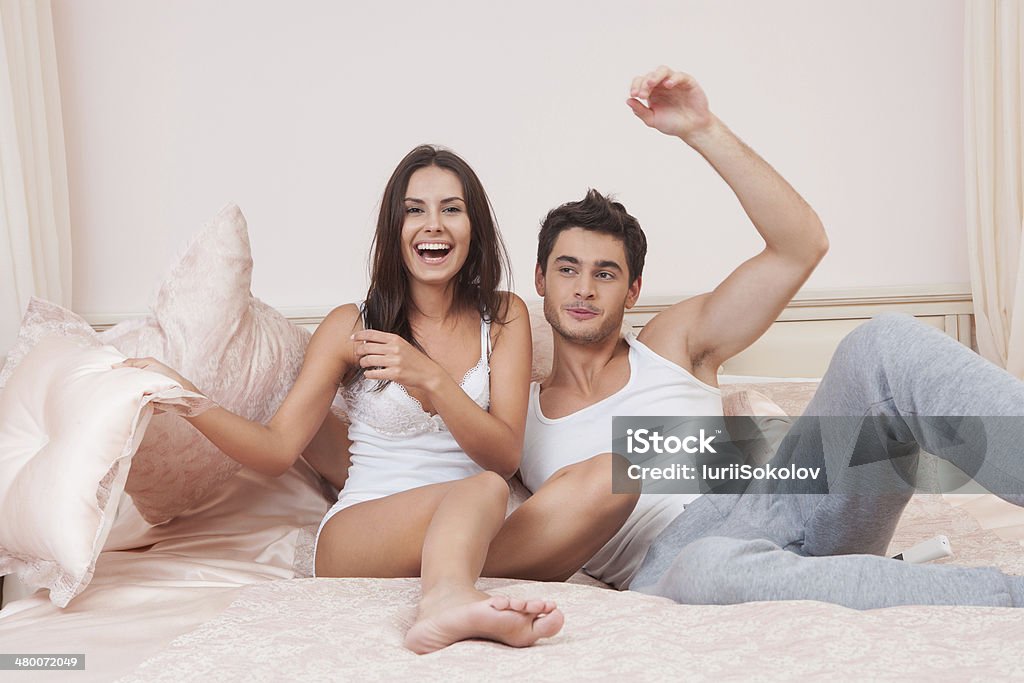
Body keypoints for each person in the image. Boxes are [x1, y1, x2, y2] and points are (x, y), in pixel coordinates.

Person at [521, 65, 1024, 608]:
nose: (584, 289)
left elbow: (800, 246)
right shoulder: (512, 416)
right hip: (674, 562)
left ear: (633, 290)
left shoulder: (673, 344)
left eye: (605, 273)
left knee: (883, 343)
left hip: (781, 496)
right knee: (706, 568)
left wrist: (701, 129)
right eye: (568, 269)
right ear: (539, 280)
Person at [116, 145, 637, 654]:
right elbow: (277, 450)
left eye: (451, 210)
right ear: (395, 229)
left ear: (473, 226)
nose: (433, 224)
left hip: (477, 518)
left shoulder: (504, 317)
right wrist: (186, 399)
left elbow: (503, 455)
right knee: (481, 490)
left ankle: (452, 575)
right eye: (415, 211)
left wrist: (431, 380)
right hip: (362, 534)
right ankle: (446, 599)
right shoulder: (351, 325)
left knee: (614, 477)